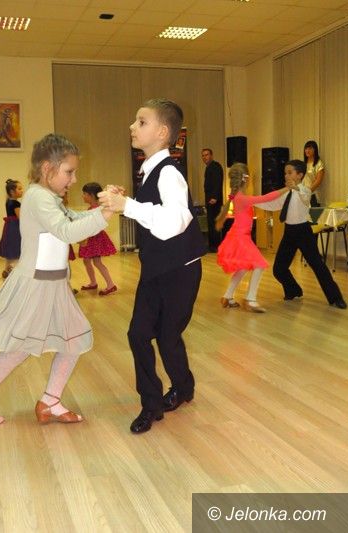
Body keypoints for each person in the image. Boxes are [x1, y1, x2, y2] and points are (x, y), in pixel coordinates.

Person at [0, 133, 113, 426]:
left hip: (54, 284)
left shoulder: (49, 197)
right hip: (36, 286)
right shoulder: (37, 197)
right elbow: (66, 232)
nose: (74, 179)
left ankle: (50, 401)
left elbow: (72, 219)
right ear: (47, 168)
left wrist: (104, 209)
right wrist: (104, 215)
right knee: (19, 349)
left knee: (73, 340)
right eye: (69, 172)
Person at [98, 98, 206, 434]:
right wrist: (127, 200)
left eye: (141, 121)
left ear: (162, 132)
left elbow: (174, 221)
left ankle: (182, 388)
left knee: (168, 336)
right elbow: (154, 211)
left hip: (180, 270)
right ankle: (152, 403)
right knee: (139, 334)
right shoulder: (151, 172)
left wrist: (128, 205)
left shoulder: (170, 172)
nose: (132, 126)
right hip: (158, 267)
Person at [216, 163, 291, 312]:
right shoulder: (242, 198)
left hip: (240, 236)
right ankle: (250, 299)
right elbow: (265, 198)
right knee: (259, 264)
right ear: (246, 179)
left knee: (243, 267)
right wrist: (287, 188)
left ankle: (228, 296)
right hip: (241, 237)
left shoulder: (237, 197)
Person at [272, 160, 347, 309]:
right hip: (289, 232)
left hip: (303, 232)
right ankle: (293, 290)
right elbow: (271, 202)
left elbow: (305, 196)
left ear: (300, 175)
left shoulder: (305, 190)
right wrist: (248, 201)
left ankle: (336, 298)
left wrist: (296, 188)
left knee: (318, 266)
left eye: (290, 172)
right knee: (278, 269)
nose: (286, 175)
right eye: (285, 173)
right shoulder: (286, 192)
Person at [79, 182, 117, 296]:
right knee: (87, 261)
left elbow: (93, 225)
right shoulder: (93, 208)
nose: (83, 196)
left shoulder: (95, 209)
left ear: (91, 195)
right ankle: (93, 282)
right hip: (92, 237)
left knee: (97, 262)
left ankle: (110, 284)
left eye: (84, 194)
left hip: (94, 238)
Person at [0, 179, 23, 278]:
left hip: (9, 227)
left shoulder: (8, 202)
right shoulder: (16, 204)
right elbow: (21, 217)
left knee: (11, 248)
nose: (22, 190)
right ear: (12, 191)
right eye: (19, 189)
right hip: (15, 228)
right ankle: (12, 268)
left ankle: (7, 269)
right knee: (16, 247)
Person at [201, 148, 223, 251]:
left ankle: (215, 246)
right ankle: (212, 245)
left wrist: (215, 197)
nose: (204, 157)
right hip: (210, 200)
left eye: (207, 155)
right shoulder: (209, 167)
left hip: (214, 200)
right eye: (203, 155)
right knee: (211, 223)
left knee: (214, 223)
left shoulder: (215, 166)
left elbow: (218, 182)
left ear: (211, 155)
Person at [302, 140, 324, 207]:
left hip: (313, 195)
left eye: (310, 148)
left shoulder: (319, 164)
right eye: (306, 148)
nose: (307, 150)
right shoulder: (303, 164)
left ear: (315, 150)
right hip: (302, 194)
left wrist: (308, 192)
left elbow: (318, 181)